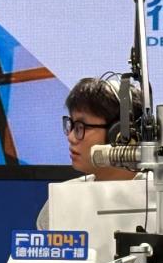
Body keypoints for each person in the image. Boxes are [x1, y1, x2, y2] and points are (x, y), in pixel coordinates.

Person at [36, 77, 143, 229]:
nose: (71, 137)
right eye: (71, 125)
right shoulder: (62, 200)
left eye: (80, 127)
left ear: (118, 134)